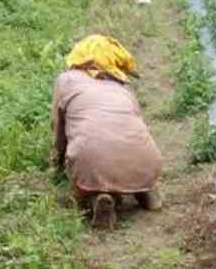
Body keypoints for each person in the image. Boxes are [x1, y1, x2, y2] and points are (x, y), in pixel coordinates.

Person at [50, 35, 163, 230]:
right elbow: (136, 122)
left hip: (92, 157)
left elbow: (59, 129)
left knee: (89, 168)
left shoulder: (67, 80)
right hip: (146, 157)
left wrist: (58, 163)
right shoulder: (123, 84)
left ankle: (99, 198)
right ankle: (146, 189)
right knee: (131, 147)